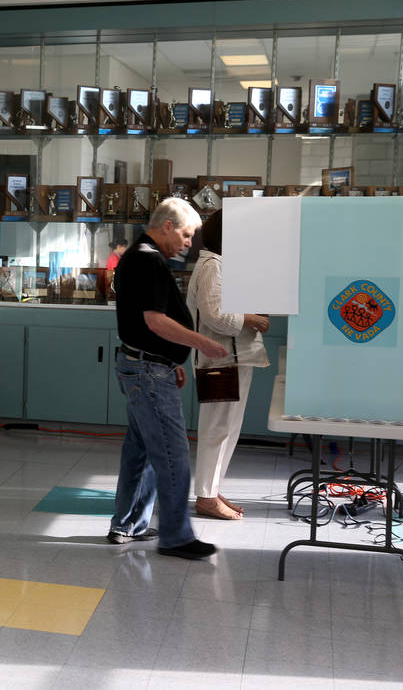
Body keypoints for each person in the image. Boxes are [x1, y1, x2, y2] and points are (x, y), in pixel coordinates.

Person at [108, 197, 228, 560]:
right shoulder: (147, 258)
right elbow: (154, 321)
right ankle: (177, 537)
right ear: (168, 227)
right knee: (173, 455)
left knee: (141, 450)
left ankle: (128, 524)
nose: (190, 243)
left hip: (144, 364)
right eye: (188, 235)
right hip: (147, 371)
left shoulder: (140, 255)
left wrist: (170, 357)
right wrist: (201, 342)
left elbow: (145, 325)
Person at [186, 210, 270, 520]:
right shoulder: (211, 267)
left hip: (234, 358)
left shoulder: (220, 265)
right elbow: (214, 315)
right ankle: (206, 497)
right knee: (217, 430)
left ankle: (213, 489)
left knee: (228, 429)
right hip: (220, 360)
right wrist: (248, 318)